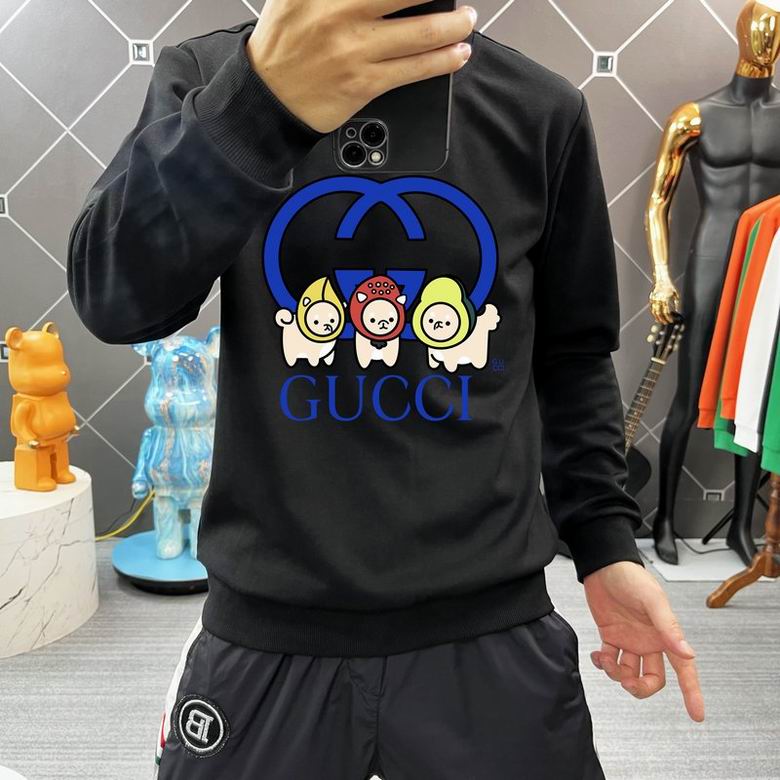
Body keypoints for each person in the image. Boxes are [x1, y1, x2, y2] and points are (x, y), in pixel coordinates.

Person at [66, 2, 705, 778]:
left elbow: (572, 355)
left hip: (490, 625)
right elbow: (116, 300)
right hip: (270, 624)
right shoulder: (212, 79)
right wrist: (260, 104)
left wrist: (606, 545)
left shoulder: (540, 110)